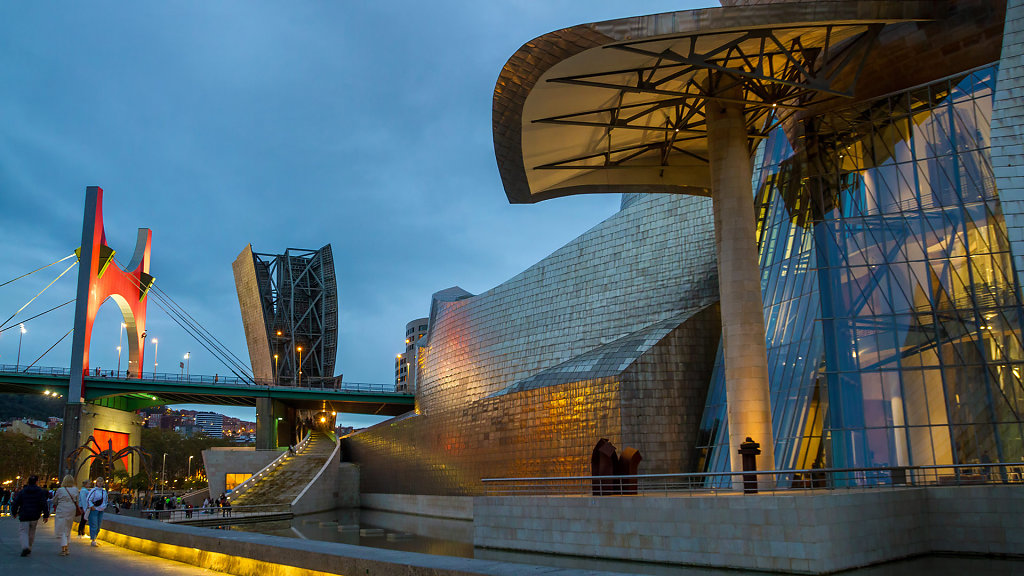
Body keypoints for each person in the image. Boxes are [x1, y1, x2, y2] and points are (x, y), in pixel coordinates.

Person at [10, 475, 50, 557]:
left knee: (23, 532)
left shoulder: (23, 491)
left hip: (24, 514)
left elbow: (16, 503)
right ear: (36, 482)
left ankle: (25, 547)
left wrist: (14, 512)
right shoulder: (40, 491)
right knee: (32, 531)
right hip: (35, 515)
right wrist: (46, 515)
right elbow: (44, 503)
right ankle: (30, 546)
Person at [52, 475, 80, 556]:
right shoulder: (75, 490)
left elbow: (54, 500)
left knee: (62, 529)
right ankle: (67, 547)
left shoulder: (60, 490)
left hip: (62, 509)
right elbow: (77, 501)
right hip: (71, 510)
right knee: (68, 528)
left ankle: (63, 549)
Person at [85, 477, 108, 547]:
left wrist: (104, 506)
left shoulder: (104, 491)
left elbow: (106, 500)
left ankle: (95, 537)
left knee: (98, 525)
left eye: (101, 481)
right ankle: (93, 539)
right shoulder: (93, 490)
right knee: (94, 524)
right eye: (99, 481)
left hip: (101, 510)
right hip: (94, 510)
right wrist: (91, 506)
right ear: (96, 483)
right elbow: (88, 499)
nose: (100, 483)